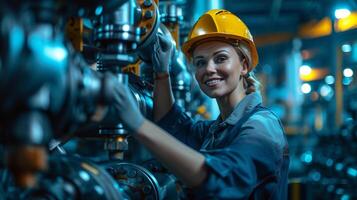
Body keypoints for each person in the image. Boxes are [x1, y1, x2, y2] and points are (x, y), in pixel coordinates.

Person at [113, 9, 289, 199]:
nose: (209, 69)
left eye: (220, 58)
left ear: (244, 65)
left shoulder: (261, 127)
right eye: (200, 62)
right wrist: (162, 71)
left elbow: (222, 180)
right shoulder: (218, 130)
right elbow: (172, 126)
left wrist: (138, 125)